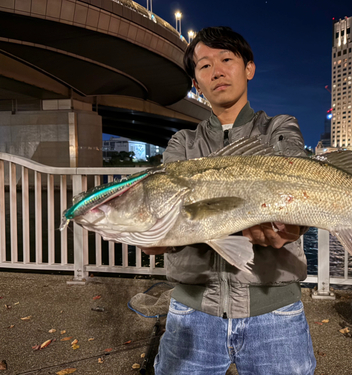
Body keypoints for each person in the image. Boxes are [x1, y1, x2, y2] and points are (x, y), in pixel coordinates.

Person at [142, 26, 316, 375]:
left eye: (226, 59)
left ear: (248, 68)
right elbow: (171, 217)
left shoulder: (278, 128)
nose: (216, 71)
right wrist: (152, 236)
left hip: (275, 312)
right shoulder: (182, 144)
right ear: (196, 82)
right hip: (192, 313)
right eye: (204, 66)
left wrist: (295, 223)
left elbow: (295, 173)